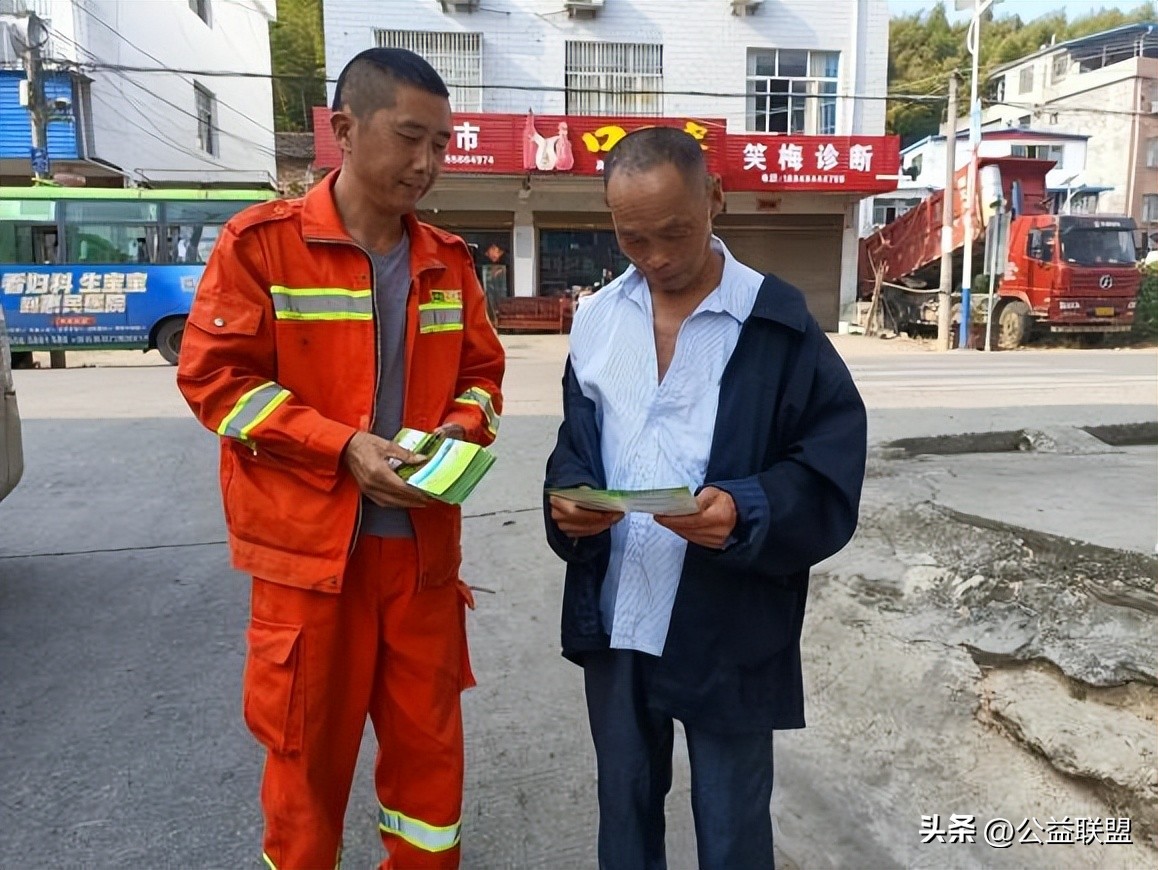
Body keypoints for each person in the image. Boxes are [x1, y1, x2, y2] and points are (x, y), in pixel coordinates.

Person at [177, 48, 504, 870]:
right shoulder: (261, 247)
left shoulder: (448, 262)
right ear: (345, 129)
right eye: (410, 139)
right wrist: (340, 446)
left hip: (422, 564)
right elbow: (215, 381)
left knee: (431, 783)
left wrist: (456, 436)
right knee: (304, 786)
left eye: (442, 143)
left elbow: (483, 377)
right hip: (310, 570)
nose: (428, 164)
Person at [543, 127, 867, 870]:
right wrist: (567, 500)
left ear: (715, 200)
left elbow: (828, 462)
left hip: (732, 617)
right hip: (619, 608)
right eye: (633, 238)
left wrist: (749, 509)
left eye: (675, 233)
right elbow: (575, 442)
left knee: (731, 823)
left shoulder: (778, 323)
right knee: (623, 806)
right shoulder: (595, 320)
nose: (655, 257)